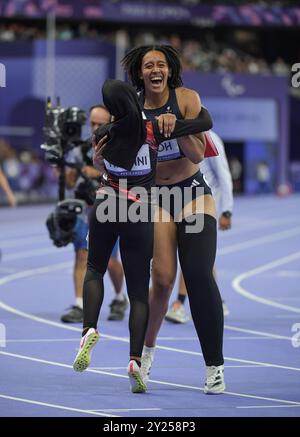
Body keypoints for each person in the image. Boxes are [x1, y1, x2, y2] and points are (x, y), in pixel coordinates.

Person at [72, 78, 213, 393]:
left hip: (107, 201)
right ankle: (135, 359)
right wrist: (180, 119)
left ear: (111, 109)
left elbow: (97, 162)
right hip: (139, 209)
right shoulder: (151, 129)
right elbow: (205, 121)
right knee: (139, 292)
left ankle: (89, 328)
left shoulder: (103, 134)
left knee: (94, 268)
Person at [122, 45, 225, 394]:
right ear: (140, 73)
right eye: (148, 65)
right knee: (163, 281)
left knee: (197, 274)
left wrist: (178, 128)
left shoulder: (186, 98)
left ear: (169, 70)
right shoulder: (132, 106)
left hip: (193, 193)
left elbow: (199, 153)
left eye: (161, 65)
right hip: (155, 198)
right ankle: (145, 356)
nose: (155, 69)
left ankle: (214, 365)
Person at [61, 104, 127, 323]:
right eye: (93, 123)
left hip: (111, 208)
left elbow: (125, 180)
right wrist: (69, 169)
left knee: (109, 261)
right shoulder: (79, 148)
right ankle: (79, 303)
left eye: (101, 123)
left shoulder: (119, 146)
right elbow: (70, 182)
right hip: (84, 208)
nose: (96, 127)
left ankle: (119, 297)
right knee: (81, 255)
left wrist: (97, 172)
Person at [165, 130, 233, 323]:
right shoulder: (170, 133)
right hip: (176, 200)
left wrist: (227, 210)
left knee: (189, 253)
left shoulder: (209, 136)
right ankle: (217, 300)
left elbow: (224, 174)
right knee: (203, 256)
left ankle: (178, 304)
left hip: (201, 202)